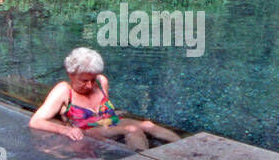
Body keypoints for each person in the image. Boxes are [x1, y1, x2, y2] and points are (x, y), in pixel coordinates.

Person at [29, 47, 180, 151]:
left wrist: (115, 113)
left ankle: (185, 147)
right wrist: (65, 130)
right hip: (89, 130)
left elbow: (107, 111)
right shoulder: (63, 90)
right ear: (71, 74)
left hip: (109, 123)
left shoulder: (101, 81)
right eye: (84, 80)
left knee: (147, 125)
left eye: (92, 79)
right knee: (132, 129)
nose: (89, 85)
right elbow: (35, 121)